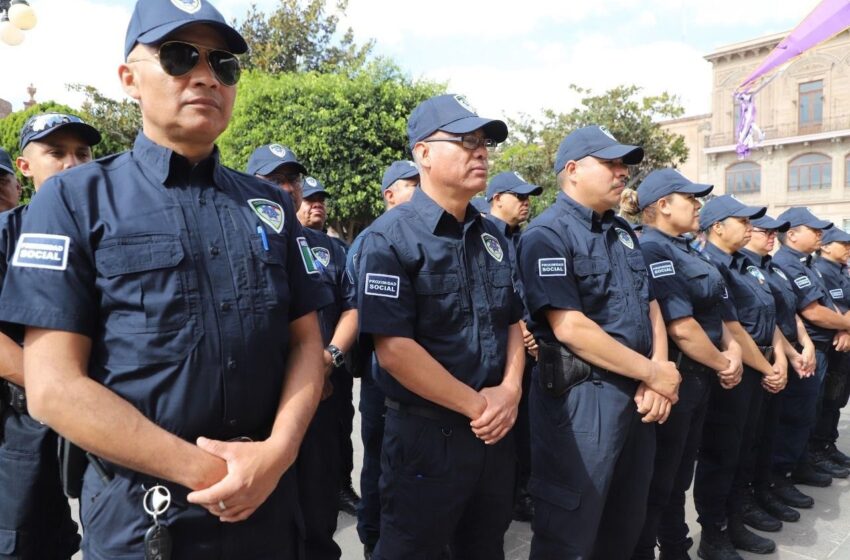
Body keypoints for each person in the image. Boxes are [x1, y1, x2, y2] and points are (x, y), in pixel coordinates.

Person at [0, 2, 330, 557]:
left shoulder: (268, 203)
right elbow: (54, 387)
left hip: (268, 508)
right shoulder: (75, 199)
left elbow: (305, 343)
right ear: (129, 79)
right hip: (146, 519)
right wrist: (212, 472)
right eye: (179, 56)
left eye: (222, 63)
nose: (205, 74)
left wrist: (275, 455)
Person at [356, 93, 524, 560]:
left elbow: (511, 318)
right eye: (465, 140)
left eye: (484, 142)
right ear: (424, 153)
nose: (481, 151)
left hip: (494, 432)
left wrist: (509, 391)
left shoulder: (492, 235)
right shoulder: (389, 238)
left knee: (484, 546)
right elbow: (394, 349)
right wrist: (477, 405)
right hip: (427, 439)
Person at [517, 125, 681, 559]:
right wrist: (654, 373)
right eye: (609, 163)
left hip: (639, 395)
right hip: (583, 402)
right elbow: (570, 327)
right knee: (571, 532)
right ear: (572, 170)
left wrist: (658, 374)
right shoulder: (546, 235)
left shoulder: (623, 232)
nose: (621, 172)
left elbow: (650, 305)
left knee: (626, 524)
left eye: (623, 164)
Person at [620, 169, 744, 560]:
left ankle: (676, 546)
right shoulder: (653, 249)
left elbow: (720, 313)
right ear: (662, 206)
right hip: (680, 377)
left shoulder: (689, 248)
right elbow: (682, 327)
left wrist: (732, 353)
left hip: (704, 375)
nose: (697, 205)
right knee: (662, 480)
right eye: (688, 198)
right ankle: (660, 548)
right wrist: (725, 361)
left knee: (680, 475)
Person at [0, 112, 101, 560]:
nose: (71, 164)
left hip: (118, 415)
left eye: (81, 153)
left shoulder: (112, 229)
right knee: (27, 540)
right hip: (29, 424)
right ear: (25, 167)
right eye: (55, 153)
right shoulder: (6, 234)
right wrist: (62, 389)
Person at [247, 144, 354, 560]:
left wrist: (327, 360)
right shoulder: (241, 238)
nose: (288, 189)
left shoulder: (323, 247)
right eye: (275, 181)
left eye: (292, 179)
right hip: (264, 407)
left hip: (322, 394)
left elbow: (351, 307)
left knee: (318, 512)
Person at [693, 195, 788, 559]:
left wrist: (778, 358)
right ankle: (713, 534)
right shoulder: (711, 265)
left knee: (744, 449)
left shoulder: (747, 266)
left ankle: (734, 520)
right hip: (734, 372)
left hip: (760, 369)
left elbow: (769, 316)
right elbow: (732, 326)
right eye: (743, 222)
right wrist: (769, 368)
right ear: (718, 226)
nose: (750, 228)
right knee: (722, 453)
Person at [347, 159, 419, 559]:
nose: (420, 189)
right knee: (380, 456)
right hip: (381, 374)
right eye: (411, 184)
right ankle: (373, 535)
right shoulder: (374, 240)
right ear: (390, 194)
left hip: (416, 376)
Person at [739, 215, 817, 525]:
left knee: (771, 432)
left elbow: (789, 313)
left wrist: (804, 344)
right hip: (755, 363)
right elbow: (748, 324)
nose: (772, 236)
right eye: (764, 231)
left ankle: (765, 488)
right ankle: (745, 501)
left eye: (775, 231)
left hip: (781, 355)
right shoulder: (741, 267)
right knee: (749, 440)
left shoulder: (768, 267)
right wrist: (782, 357)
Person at [771, 207, 850, 495]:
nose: (819, 234)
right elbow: (812, 312)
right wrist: (847, 325)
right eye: (813, 230)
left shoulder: (806, 264)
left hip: (822, 346)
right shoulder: (786, 264)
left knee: (811, 411)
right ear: (791, 234)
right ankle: (782, 474)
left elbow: (828, 307)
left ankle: (801, 462)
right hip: (807, 349)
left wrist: (843, 327)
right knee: (796, 414)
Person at [296, 175, 361, 515]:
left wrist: (331, 356)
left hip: (333, 366)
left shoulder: (338, 250)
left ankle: (341, 487)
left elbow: (352, 305)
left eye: (320, 198)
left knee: (338, 431)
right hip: (291, 374)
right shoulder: (281, 244)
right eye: (309, 198)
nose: (316, 203)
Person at [485, 170, 543, 521]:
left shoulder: (518, 238)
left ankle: (519, 494)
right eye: (518, 197)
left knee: (524, 428)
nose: (525, 203)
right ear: (497, 199)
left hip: (527, 348)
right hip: (500, 347)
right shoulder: (484, 233)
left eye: (527, 197)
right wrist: (520, 329)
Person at [809, 227, 850, 469]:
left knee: (837, 398)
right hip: (831, 343)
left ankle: (827, 443)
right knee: (824, 399)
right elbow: (827, 307)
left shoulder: (841, 271)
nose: (848, 248)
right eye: (843, 244)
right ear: (825, 246)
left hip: (843, 340)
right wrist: (843, 329)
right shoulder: (820, 270)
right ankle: (816, 449)